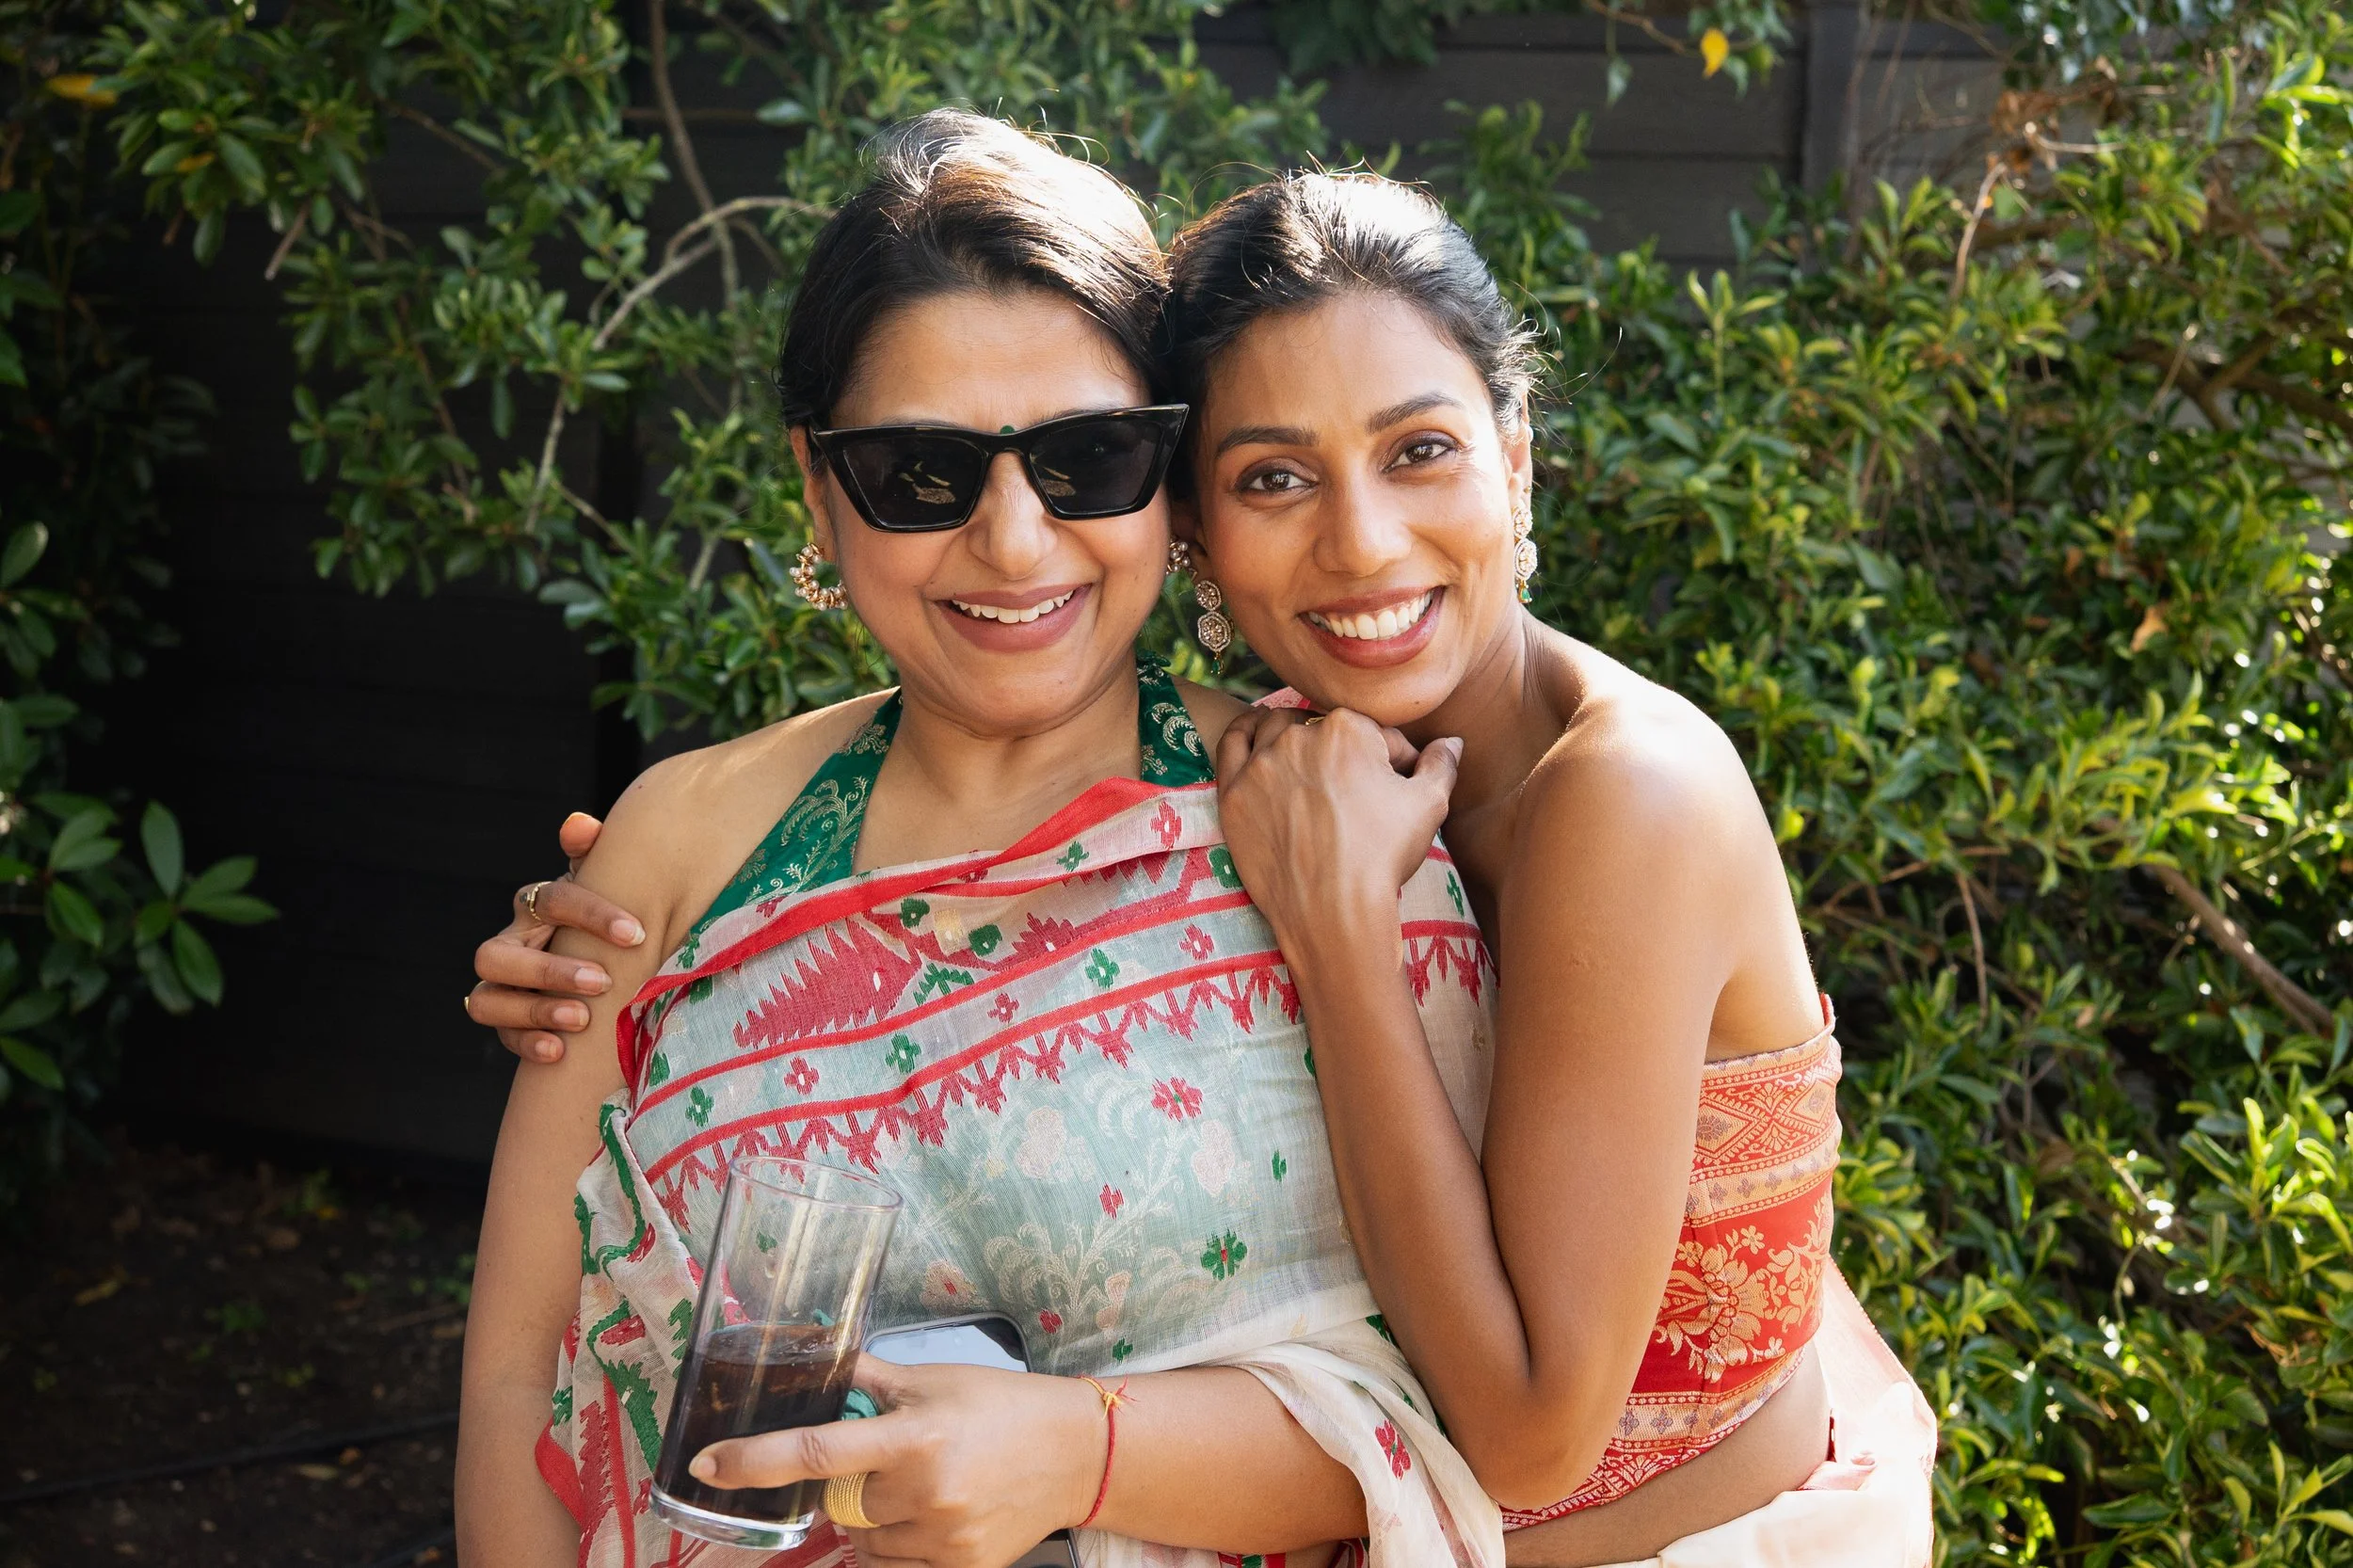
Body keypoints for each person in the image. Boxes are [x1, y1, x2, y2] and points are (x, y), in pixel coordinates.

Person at [469, 160, 1937, 1565]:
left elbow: (1516, 1423)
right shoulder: (1303, 775)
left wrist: (1340, 933)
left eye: (1085, 456)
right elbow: (532, 1364)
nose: (1361, 544)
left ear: (1518, 455)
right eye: (1276, 475)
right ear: (1204, 525)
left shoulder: (1539, 804)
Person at [456, 112, 1504, 1568]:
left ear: (1174, 482)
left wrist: (1083, 1457)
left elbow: (1477, 1433)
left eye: (1086, 459)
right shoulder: (678, 849)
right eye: (922, 474)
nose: (1015, 543)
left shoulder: (1330, 822)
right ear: (821, 491)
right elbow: (524, 1370)